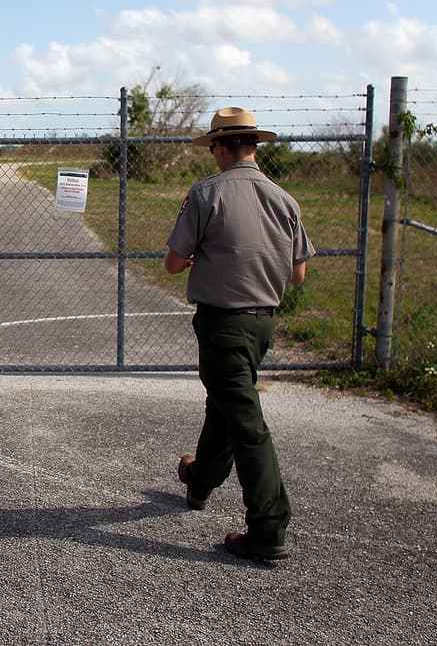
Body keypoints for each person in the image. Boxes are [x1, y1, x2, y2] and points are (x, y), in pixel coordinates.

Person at [164, 106, 315, 562]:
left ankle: (267, 527)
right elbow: (299, 273)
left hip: (222, 321)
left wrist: (196, 260)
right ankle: (200, 479)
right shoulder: (284, 199)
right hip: (262, 322)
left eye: (214, 147)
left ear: (220, 147)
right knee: (228, 402)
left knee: (246, 422)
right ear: (253, 147)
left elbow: (173, 261)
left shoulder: (207, 194)